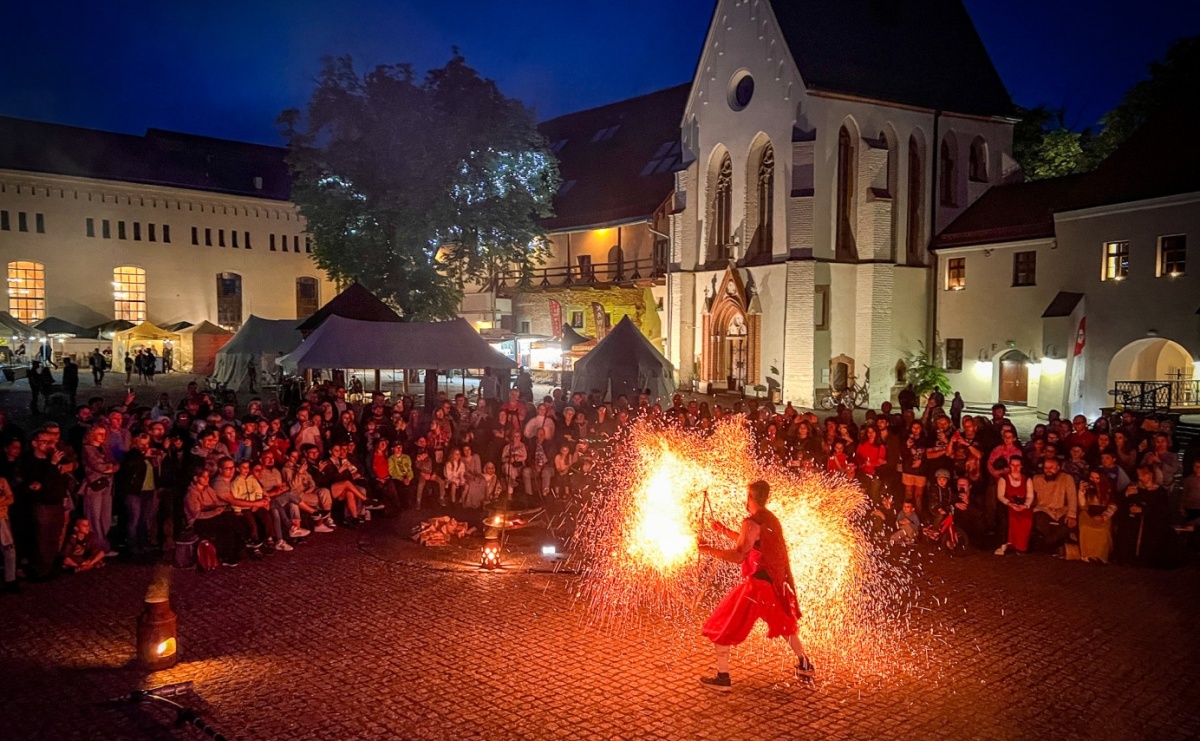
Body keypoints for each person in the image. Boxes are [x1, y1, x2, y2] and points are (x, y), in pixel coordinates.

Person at [697, 480, 815, 691]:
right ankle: (805, 664)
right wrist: (723, 531)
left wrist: (709, 550)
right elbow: (752, 541)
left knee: (722, 623)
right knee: (784, 625)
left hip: (757, 588)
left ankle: (723, 677)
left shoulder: (751, 522)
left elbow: (739, 555)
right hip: (773, 586)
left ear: (750, 497)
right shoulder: (770, 519)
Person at [1031, 458, 1077, 554]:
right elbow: (1032, 497)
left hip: (1061, 510)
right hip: (1044, 510)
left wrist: (1072, 514)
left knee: (1068, 524)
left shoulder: (1066, 478)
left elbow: (1072, 497)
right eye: (1046, 468)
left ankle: (1047, 544)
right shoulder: (1037, 479)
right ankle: (1055, 545)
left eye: (1051, 467)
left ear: (1058, 468)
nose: (1048, 470)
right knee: (1040, 521)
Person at [995, 457, 1034, 555]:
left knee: (1026, 520)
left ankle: (1021, 547)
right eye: (1013, 465)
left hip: (1023, 506)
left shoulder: (1027, 479)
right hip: (1009, 505)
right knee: (1011, 519)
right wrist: (1009, 503)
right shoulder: (1003, 479)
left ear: (1021, 466)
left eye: (1017, 465)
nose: (1015, 468)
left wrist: (1025, 505)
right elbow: (1000, 495)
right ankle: (1010, 544)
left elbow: (1030, 496)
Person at [1077, 471, 1116, 563]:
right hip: (1088, 514)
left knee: (1103, 532)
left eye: (1097, 478)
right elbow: (1083, 505)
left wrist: (1104, 516)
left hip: (1103, 514)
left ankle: (1099, 556)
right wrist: (1081, 491)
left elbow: (1113, 506)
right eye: (1091, 478)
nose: (1094, 480)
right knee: (1085, 528)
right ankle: (1087, 555)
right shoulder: (1088, 489)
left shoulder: (1109, 490)